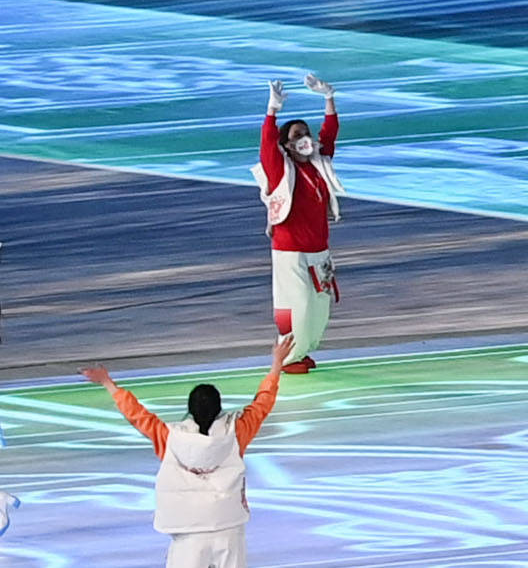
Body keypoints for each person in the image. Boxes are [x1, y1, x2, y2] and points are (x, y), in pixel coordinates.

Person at [91, 359, 284, 568]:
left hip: (188, 532)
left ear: (190, 409)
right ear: (219, 407)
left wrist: (108, 383)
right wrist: (277, 364)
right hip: (228, 527)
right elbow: (262, 405)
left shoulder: (170, 438)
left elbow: (138, 415)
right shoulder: (236, 434)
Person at [257, 77, 343, 372]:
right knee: (296, 310)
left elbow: (329, 134)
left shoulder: (319, 165)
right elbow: (267, 146)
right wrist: (272, 110)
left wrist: (328, 98)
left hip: (319, 249)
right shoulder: (280, 171)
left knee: (319, 311)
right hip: (290, 251)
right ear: (287, 143)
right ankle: (287, 357)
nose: (306, 138)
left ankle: (302, 351)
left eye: (307, 133)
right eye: (298, 134)